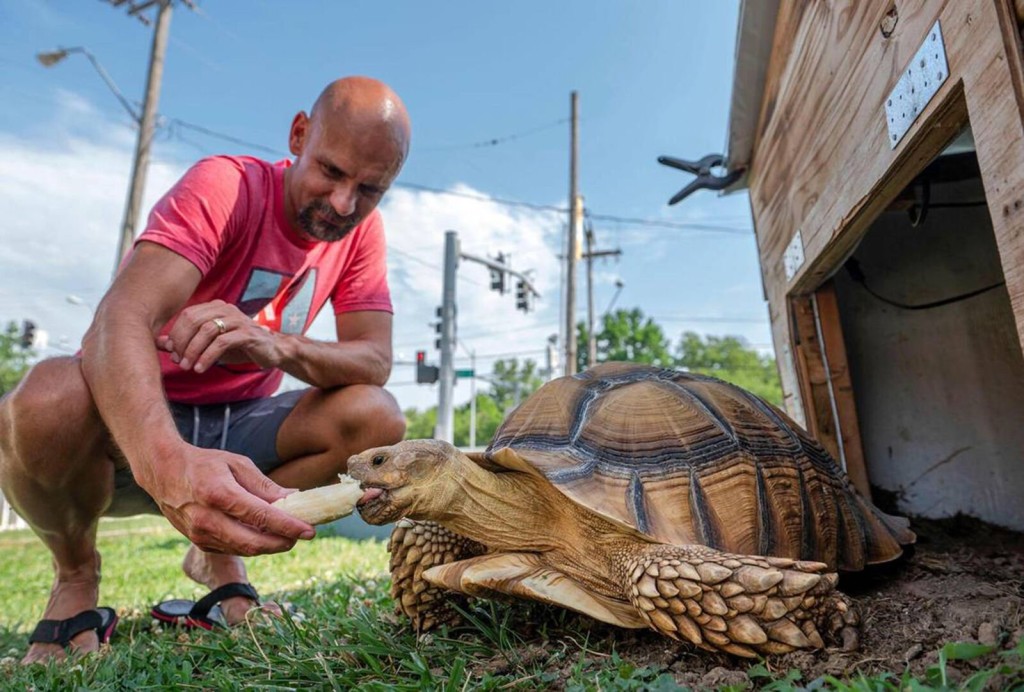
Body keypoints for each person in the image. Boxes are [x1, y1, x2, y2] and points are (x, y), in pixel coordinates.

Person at [0, 76, 411, 663]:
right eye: (332, 171)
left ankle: (218, 559)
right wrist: (167, 464)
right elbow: (119, 318)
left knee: (374, 416)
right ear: (299, 135)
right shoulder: (229, 184)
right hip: (133, 425)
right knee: (44, 398)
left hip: (238, 424)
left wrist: (276, 346)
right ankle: (75, 576)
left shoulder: (361, 233)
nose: (344, 203)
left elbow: (375, 358)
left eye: (370, 189)